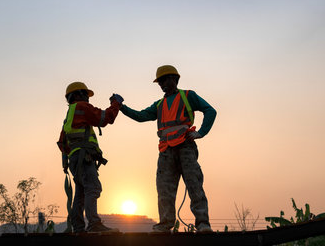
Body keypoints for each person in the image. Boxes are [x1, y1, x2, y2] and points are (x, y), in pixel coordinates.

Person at [120, 65, 216, 233]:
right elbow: (140, 116)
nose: (163, 83)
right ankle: (165, 224)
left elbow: (210, 111)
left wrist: (201, 132)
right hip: (166, 151)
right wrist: (121, 107)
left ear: (175, 79)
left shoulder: (188, 96)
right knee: (164, 189)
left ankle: (202, 224)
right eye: (160, 81)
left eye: (165, 79)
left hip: (185, 147)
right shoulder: (159, 105)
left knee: (194, 185)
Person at [57, 81, 123, 233]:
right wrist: (116, 103)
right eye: (86, 94)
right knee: (92, 187)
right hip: (83, 158)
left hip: (75, 159)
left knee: (81, 192)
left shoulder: (68, 116)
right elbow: (104, 118)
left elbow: (62, 143)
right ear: (78, 95)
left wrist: (73, 152)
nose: (88, 98)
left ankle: (78, 227)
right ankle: (94, 224)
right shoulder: (81, 107)